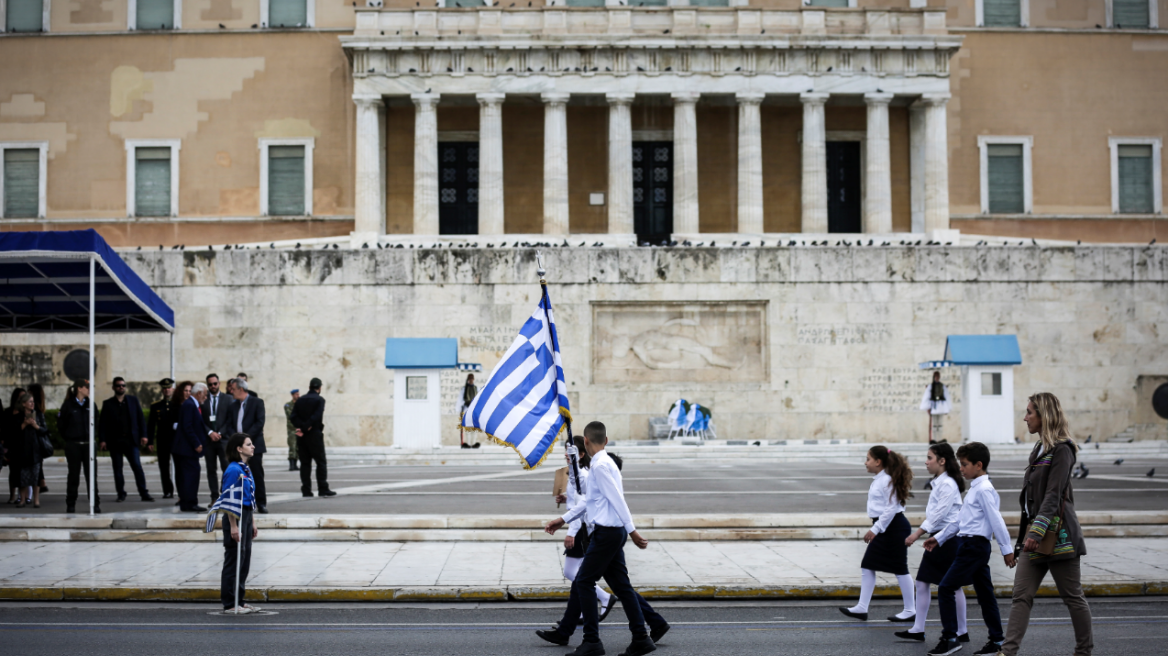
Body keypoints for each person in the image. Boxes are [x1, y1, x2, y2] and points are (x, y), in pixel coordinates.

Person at [544, 421, 659, 656]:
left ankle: (592, 642)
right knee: (622, 587)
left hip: (607, 533)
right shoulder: (601, 462)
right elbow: (588, 500)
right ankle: (641, 638)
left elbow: (617, 499)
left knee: (584, 581)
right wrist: (562, 519)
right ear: (605, 440)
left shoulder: (600, 466)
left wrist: (632, 530)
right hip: (611, 532)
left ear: (585, 441)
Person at [997, 393, 1093, 656]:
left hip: (1059, 537)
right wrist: (1025, 537)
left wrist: (1037, 531)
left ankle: (1084, 652)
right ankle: (1007, 652)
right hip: (1033, 538)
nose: (1025, 417)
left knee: (1072, 597)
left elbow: (1054, 494)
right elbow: (1031, 500)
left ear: (1044, 416)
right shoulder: (1039, 448)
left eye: (1029, 412)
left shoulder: (1063, 449)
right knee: (1021, 596)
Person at [923, 442, 1016, 656]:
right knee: (985, 594)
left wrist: (1006, 549)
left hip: (974, 547)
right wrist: (938, 538)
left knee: (946, 588)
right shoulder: (975, 488)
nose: (961, 468)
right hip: (970, 545)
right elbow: (959, 521)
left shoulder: (984, 490)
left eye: (964, 464)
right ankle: (997, 640)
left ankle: (950, 639)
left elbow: (997, 520)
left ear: (979, 465)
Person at [896, 442, 967, 643]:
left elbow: (938, 515)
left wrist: (916, 534)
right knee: (925, 582)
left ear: (942, 461)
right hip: (940, 538)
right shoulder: (941, 482)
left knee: (950, 586)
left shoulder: (947, 484)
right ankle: (921, 628)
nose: (926, 462)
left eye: (929, 458)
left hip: (946, 539)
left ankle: (959, 631)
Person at [839, 445, 916, 623]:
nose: (865, 463)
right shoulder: (881, 479)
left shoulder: (886, 480)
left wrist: (876, 529)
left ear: (878, 461)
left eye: (868, 459)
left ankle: (910, 609)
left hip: (894, 527)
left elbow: (892, 508)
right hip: (887, 526)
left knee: (900, 568)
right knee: (868, 565)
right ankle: (861, 608)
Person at [213, 433, 260, 614]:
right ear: (239, 449)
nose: (253, 446)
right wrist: (233, 526)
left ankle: (239, 599)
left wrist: (253, 522)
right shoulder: (233, 470)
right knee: (234, 559)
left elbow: (250, 498)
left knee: (244, 560)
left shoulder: (245, 468)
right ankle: (230, 603)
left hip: (246, 515)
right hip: (236, 516)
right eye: (249, 444)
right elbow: (229, 499)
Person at [98, 377, 154, 502]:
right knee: (117, 469)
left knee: (137, 467)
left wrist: (144, 435)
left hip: (131, 441)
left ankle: (144, 493)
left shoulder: (133, 401)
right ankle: (121, 494)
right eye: (118, 385)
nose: (121, 387)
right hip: (115, 442)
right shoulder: (107, 404)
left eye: (123, 385)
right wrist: (103, 440)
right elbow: (102, 424)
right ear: (113, 387)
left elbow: (140, 419)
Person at [58, 380, 102, 514]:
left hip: (89, 445)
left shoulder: (91, 404)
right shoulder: (68, 405)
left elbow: (97, 423)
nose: (90, 389)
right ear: (79, 388)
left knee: (91, 477)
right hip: (74, 446)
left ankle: (94, 504)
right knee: (73, 477)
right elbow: (61, 425)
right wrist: (70, 437)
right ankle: (71, 504)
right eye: (87, 387)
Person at [224, 378, 267, 513]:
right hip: (238, 447)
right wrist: (236, 440)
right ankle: (237, 501)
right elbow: (229, 424)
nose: (231, 392)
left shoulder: (257, 402)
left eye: (233, 389)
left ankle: (261, 503)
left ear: (241, 389)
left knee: (256, 474)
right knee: (236, 474)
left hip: (254, 445)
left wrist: (245, 440)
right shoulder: (233, 406)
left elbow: (259, 423)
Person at [290, 378, 334, 497]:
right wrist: (307, 426)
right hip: (314, 434)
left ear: (309, 387)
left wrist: (301, 427)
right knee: (321, 462)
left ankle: (306, 490)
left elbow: (293, 417)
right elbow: (317, 416)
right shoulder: (320, 400)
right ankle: (322, 488)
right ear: (319, 388)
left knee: (305, 463)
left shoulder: (300, 400)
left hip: (302, 436)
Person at [174, 381, 208, 512]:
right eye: (205, 394)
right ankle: (190, 503)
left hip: (186, 449)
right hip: (187, 449)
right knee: (190, 476)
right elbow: (187, 427)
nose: (205, 397)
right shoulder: (189, 405)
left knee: (189, 476)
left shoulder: (190, 404)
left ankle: (187, 502)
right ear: (199, 393)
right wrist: (197, 443)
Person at [10, 392, 48, 508]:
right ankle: (22, 499)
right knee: (22, 476)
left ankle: (36, 500)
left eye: (33, 401)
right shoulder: (17, 417)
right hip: (22, 450)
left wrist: (36, 426)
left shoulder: (38, 415)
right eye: (30, 401)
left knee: (36, 475)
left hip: (35, 450)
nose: (32, 404)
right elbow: (13, 433)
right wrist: (24, 424)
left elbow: (45, 431)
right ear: (24, 404)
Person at [200, 374, 233, 505]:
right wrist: (210, 432)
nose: (213, 386)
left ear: (219, 383)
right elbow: (200, 419)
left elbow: (230, 420)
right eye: (210, 384)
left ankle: (225, 495)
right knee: (211, 470)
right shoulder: (203, 399)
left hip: (223, 440)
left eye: (215, 383)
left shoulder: (228, 399)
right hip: (209, 441)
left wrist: (219, 433)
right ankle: (214, 497)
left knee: (226, 468)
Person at [147, 378, 178, 499]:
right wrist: (150, 441)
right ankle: (167, 490)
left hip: (175, 440)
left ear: (172, 389)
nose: (167, 390)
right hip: (162, 440)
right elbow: (151, 425)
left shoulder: (177, 404)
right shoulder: (156, 406)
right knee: (164, 467)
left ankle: (181, 490)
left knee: (179, 467)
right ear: (162, 390)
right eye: (164, 388)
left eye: (169, 388)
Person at [4, 388, 26, 504]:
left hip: (22, 445)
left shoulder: (25, 413)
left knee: (22, 471)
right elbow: (4, 428)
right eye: (20, 396)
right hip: (10, 444)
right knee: (12, 471)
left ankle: (22, 497)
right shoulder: (8, 412)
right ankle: (12, 495)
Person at [27, 383, 48, 493]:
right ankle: (42, 482)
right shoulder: (39, 405)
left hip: (34, 439)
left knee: (36, 462)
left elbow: (43, 429)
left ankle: (40, 484)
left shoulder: (34, 409)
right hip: (37, 439)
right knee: (38, 462)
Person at [921, 371, 951, 444]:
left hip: (940, 406)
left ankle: (939, 439)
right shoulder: (931, 386)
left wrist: (947, 408)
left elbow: (946, 396)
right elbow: (927, 397)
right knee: (934, 424)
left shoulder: (942, 386)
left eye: (938, 376)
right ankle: (935, 439)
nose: (937, 378)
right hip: (934, 406)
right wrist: (927, 407)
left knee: (940, 424)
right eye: (936, 376)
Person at [459, 374, 479, 448]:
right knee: (468, 428)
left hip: (474, 411)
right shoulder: (464, 389)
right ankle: (468, 443)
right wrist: (461, 411)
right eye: (470, 379)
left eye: (472, 379)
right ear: (468, 380)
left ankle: (473, 443)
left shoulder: (476, 388)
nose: (471, 380)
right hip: (467, 410)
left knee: (474, 428)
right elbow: (461, 400)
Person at [284, 389, 300, 471]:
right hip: (292, 429)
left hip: (299, 429)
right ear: (292, 395)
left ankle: (295, 464)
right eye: (296, 394)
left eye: (298, 394)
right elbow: (290, 417)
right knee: (292, 447)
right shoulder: (288, 405)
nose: (298, 396)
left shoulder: (300, 404)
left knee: (298, 447)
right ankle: (291, 464)